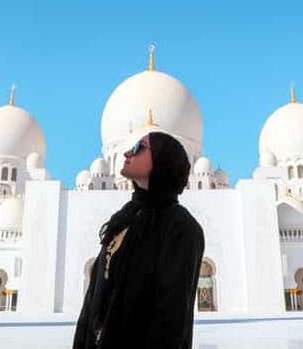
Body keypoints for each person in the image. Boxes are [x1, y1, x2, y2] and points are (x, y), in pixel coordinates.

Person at [73, 131, 205, 349]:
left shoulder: (180, 227)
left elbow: (171, 319)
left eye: (138, 148)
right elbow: (91, 306)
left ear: (163, 160)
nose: (127, 153)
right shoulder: (123, 220)